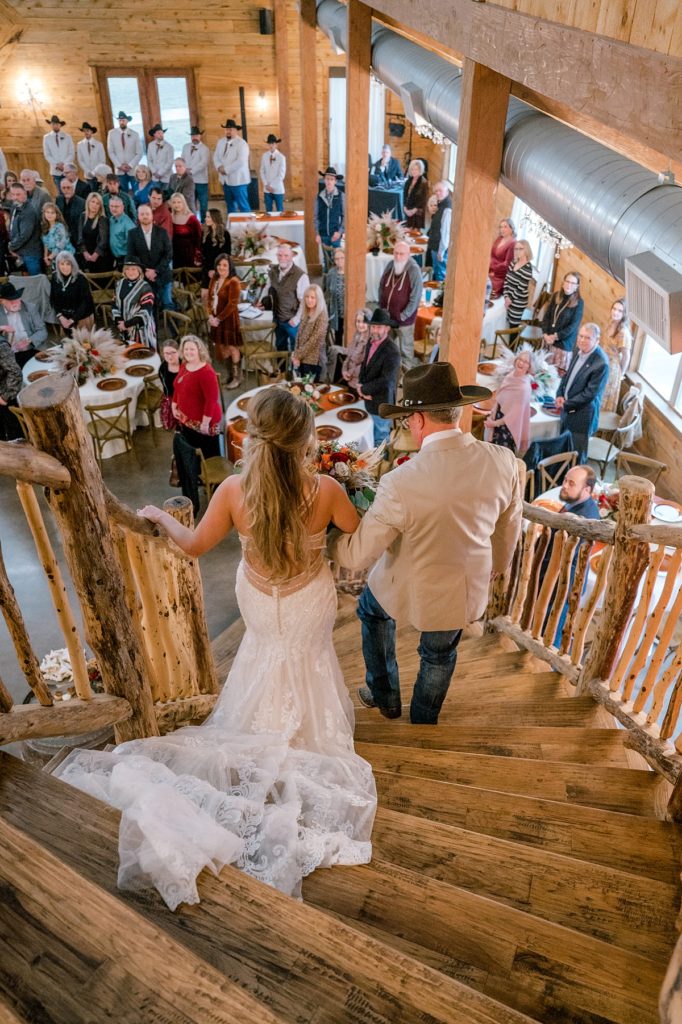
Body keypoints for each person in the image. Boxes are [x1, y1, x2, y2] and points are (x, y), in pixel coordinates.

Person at [57, 385, 375, 910]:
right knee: (308, 661)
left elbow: (195, 546)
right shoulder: (325, 491)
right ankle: (303, 738)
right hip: (307, 599)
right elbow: (358, 541)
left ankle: (261, 736)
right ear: (303, 443)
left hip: (258, 600)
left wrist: (160, 518)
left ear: (253, 440)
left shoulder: (233, 492)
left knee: (263, 656)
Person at [330, 361, 522, 724]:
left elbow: (356, 557)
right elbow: (508, 526)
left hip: (410, 581)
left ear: (417, 420)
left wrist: (328, 537)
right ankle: (423, 719)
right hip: (463, 587)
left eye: (407, 420)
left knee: (372, 610)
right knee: (439, 655)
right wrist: (498, 565)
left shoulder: (401, 481)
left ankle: (385, 695)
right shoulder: (504, 462)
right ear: (457, 411)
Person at [555, 322, 609, 462]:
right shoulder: (577, 350)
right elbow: (567, 376)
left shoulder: (601, 363)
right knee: (562, 448)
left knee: (576, 455)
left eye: (587, 338)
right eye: (581, 336)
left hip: (582, 416)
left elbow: (589, 395)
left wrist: (566, 404)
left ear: (597, 340)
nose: (582, 340)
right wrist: (560, 394)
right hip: (567, 409)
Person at [171, 334, 222, 458]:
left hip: (204, 423)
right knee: (193, 452)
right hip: (187, 420)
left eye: (192, 349)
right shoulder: (184, 365)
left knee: (208, 454)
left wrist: (205, 424)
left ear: (199, 350)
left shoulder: (206, 372)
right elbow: (178, 387)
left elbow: (211, 401)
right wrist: (174, 405)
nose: (188, 352)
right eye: (186, 349)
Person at [357, 308, 401, 445]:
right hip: (368, 398)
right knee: (369, 434)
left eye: (379, 327)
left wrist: (364, 390)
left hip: (381, 402)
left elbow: (387, 381)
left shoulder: (392, 351)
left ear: (387, 328)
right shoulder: (371, 342)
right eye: (373, 326)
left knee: (380, 438)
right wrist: (360, 386)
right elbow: (365, 365)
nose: (375, 330)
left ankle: (383, 466)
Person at [378, 239, 422, 369]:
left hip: (404, 321)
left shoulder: (414, 270)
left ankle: (407, 377)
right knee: (388, 347)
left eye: (401, 254)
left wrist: (403, 315)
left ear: (408, 255)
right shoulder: (390, 265)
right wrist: (382, 310)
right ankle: (391, 372)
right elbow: (381, 286)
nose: (398, 256)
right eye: (396, 253)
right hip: (388, 318)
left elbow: (416, 297)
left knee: (405, 351)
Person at [260, 243, 309, 353]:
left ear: (292, 256)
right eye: (280, 255)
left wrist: (296, 320)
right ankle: (282, 370)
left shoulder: (301, 276)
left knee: (296, 349)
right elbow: (267, 287)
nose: (282, 258)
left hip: (292, 320)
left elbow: (305, 301)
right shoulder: (273, 271)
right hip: (277, 319)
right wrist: (262, 302)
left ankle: (295, 370)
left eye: (286, 255)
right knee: (280, 347)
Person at [484, 349, 534, 455]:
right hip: (498, 420)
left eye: (525, 362)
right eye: (520, 359)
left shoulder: (523, 388)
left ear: (529, 367)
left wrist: (494, 423)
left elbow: (514, 416)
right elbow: (500, 397)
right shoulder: (511, 375)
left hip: (507, 428)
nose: (521, 363)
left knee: (501, 460)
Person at [126, 203, 173, 312]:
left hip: (163, 275)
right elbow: (131, 256)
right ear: (138, 216)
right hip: (143, 278)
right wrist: (145, 271)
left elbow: (168, 254)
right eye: (142, 214)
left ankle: (173, 328)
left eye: (147, 214)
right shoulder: (132, 234)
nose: (145, 216)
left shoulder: (162, 232)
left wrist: (156, 271)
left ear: (152, 215)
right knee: (148, 308)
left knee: (168, 304)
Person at [207, 253, 242, 389]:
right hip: (215, 319)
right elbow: (209, 299)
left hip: (228, 320)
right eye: (219, 265)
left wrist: (218, 319)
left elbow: (232, 304)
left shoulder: (233, 281)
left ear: (230, 267)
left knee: (232, 347)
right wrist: (210, 315)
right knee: (222, 346)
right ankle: (229, 375)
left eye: (225, 265)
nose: (221, 267)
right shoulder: (214, 279)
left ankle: (237, 377)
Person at [541, 271, 584, 371]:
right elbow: (546, 316)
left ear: (577, 286)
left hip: (562, 346)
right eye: (567, 281)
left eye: (573, 283)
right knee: (542, 373)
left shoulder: (579, 303)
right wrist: (545, 334)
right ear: (563, 282)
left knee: (555, 377)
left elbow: (573, 326)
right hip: (548, 341)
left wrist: (555, 336)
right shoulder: (556, 295)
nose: (569, 285)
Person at [0, 281, 48, 366]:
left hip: (29, 350)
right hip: (7, 354)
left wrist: (29, 341)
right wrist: (2, 327)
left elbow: (42, 331)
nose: (16, 303)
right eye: (11, 301)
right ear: (2, 301)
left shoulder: (30, 308)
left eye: (17, 299)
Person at [112, 257, 157, 349]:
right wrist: (119, 321)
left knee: (143, 355)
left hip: (141, 330)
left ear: (139, 271)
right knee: (127, 355)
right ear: (124, 271)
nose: (130, 272)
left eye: (133, 269)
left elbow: (145, 312)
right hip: (123, 328)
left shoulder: (145, 287)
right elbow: (115, 303)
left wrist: (127, 324)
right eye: (127, 269)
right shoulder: (119, 284)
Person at [50, 250, 95, 333]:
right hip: (64, 318)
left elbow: (86, 302)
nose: (65, 267)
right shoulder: (55, 277)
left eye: (68, 264)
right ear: (57, 265)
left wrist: (72, 320)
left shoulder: (81, 278)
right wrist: (61, 317)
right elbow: (53, 299)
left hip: (82, 318)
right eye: (62, 264)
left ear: (73, 265)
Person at [601, 297, 632, 413]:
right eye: (614, 309)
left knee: (604, 398)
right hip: (602, 363)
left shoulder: (623, 333)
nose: (615, 312)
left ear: (624, 314)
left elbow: (626, 356)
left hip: (612, 369)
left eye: (620, 311)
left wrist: (621, 374)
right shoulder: (610, 323)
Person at [213, 118, 251, 213]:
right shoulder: (221, 142)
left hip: (239, 181)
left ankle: (249, 227)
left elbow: (241, 161)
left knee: (243, 206)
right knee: (230, 206)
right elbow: (215, 156)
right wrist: (218, 167)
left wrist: (226, 169)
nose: (228, 131)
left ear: (236, 130)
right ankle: (232, 227)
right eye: (226, 129)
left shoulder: (242, 144)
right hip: (225, 181)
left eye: (231, 129)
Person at [292, 285, 328, 381]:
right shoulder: (306, 313)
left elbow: (314, 340)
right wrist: (296, 355)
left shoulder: (322, 316)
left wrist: (298, 355)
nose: (309, 300)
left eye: (313, 297)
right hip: (302, 358)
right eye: (307, 297)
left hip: (314, 360)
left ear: (318, 299)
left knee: (310, 391)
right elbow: (298, 336)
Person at [8, 183, 43, 276]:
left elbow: (24, 235)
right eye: (13, 194)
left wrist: (11, 246)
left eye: (18, 194)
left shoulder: (29, 211)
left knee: (35, 281)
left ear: (25, 194)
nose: (15, 197)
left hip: (31, 254)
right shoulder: (15, 206)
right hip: (20, 252)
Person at [314, 167, 344, 268]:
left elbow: (345, 216)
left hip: (335, 234)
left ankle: (338, 281)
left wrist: (339, 232)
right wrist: (317, 233)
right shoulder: (319, 196)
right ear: (324, 180)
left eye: (331, 179)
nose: (329, 181)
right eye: (327, 179)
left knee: (338, 261)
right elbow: (316, 217)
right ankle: (326, 281)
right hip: (323, 235)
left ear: (335, 181)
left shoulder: (341, 196)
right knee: (326, 262)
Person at [107, 111, 143, 193]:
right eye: (120, 120)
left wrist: (130, 165)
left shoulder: (135, 134)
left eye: (123, 120)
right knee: (122, 193)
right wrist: (119, 165)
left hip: (133, 170)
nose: (122, 122)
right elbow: (110, 151)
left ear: (127, 121)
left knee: (137, 192)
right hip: (120, 170)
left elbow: (139, 152)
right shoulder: (111, 133)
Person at [503, 239, 535, 331]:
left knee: (513, 327)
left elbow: (520, 288)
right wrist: (506, 296)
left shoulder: (528, 268)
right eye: (516, 249)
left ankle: (512, 345)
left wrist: (509, 299)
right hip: (508, 298)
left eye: (520, 249)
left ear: (526, 250)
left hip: (518, 302)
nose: (517, 251)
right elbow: (506, 280)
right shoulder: (513, 262)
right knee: (507, 323)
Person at [78, 192, 112, 272]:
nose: (94, 205)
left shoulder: (102, 219)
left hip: (100, 256)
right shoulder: (82, 216)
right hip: (86, 254)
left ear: (100, 206)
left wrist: (95, 254)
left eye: (97, 203)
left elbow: (103, 240)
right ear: (88, 202)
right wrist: (85, 252)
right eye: (92, 202)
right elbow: (80, 237)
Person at [181, 126, 210, 221]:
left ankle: (204, 222)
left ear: (200, 136)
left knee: (203, 203)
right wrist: (184, 170)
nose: (195, 137)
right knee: (190, 202)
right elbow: (182, 160)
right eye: (193, 135)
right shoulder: (185, 147)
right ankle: (192, 221)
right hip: (188, 180)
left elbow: (203, 163)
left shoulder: (204, 148)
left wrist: (191, 171)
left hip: (201, 180)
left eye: (197, 135)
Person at [201, 208, 230, 297]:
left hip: (220, 270)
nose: (206, 219)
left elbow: (225, 255)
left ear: (215, 218)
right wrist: (208, 270)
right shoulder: (206, 234)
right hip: (207, 269)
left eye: (208, 217)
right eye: (206, 217)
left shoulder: (225, 235)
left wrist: (216, 270)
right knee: (204, 296)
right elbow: (204, 254)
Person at [426, 181, 452, 282]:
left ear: (447, 191)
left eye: (440, 191)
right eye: (436, 191)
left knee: (440, 275)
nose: (438, 193)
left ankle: (440, 296)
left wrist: (441, 251)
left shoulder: (447, 209)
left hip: (440, 249)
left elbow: (446, 232)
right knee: (436, 273)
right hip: (436, 246)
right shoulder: (441, 204)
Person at [340, 308, 371, 391]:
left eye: (364, 322)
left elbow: (365, 364)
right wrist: (344, 370)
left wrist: (350, 373)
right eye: (358, 321)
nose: (360, 325)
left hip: (360, 382)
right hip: (349, 378)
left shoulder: (370, 341)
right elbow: (348, 356)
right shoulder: (356, 335)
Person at [0, 333, 23, 441]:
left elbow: (15, 372)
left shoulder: (1, 346)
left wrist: (5, 397)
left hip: (4, 397)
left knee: (15, 434)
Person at [169, 193, 202, 269]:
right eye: (174, 202)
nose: (176, 205)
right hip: (175, 252)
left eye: (179, 202)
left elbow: (199, 237)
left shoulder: (192, 218)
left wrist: (197, 255)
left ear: (183, 203)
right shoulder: (170, 217)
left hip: (189, 253)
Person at [42, 114, 75, 189]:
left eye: (57, 124)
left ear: (60, 125)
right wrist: (56, 165)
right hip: (55, 170)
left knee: (71, 189)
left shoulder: (67, 137)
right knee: (60, 191)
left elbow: (71, 153)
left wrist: (64, 165)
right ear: (51, 125)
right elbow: (47, 154)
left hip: (68, 169)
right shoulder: (46, 138)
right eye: (53, 124)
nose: (55, 126)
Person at [488, 218, 516, 298]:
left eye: (505, 227)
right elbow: (492, 255)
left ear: (511, 229)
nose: (502, 229)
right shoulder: (499, 238)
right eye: (500, 227)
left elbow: (506, 264)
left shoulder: (513, 243)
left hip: (498, 276)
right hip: (490, 270)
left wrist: (493, 270)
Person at [41, 202, 74, 269]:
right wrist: (45, 257)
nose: (49, 215)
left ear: (56, 214)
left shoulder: (60, 227)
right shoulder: (44, 226)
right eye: (47, 212)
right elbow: (45, 243)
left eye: (52, 213)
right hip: (53, 257)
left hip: (65, 256)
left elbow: (61, 245)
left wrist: (50, 257)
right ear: (44, 213)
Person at [107, 195, 135, 269]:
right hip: (114, 258)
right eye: (111, 206)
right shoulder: (111, 219)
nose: (113, 209)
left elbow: (132, 246)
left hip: (125, 259)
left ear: (122, 207)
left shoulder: (128, 224)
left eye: (116, 206)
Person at [259, 134, 286, 213]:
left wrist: (271, 186)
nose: (271, 145)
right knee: (268, 210)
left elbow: (281, 175)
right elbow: (262, 171)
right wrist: (266, 185)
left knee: (280, 210)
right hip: (267, 189)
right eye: (269, 143)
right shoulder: (264, 156)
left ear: (276, 145)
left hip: (277, 188)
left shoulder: (281, 157)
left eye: (273, 143)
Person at [324, 247, 345, 347]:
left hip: (349, 311)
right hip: (337, 311)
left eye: (342, 258)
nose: (339, 261)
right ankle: (339, 360)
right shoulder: (331, 273)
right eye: (337, 259)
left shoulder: (352, 272)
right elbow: (327, 291)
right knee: (338, 336)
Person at [158, 339, 181, 430]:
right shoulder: (163, 368)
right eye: (166, 353)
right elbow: (165, 387)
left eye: (173, 352)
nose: (170, 356)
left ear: (179, 352)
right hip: (171, 397)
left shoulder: (185, 364)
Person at [76, 122, 105, 190]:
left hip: (98, 174)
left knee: (99, 192)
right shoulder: (80, 144)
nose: (86, 132)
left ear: (91, 132)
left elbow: (102, 160)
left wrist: (95, 171)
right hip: (87, 174)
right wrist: (88, 171)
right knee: (90, 192)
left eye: (88, 130)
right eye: (84, 131)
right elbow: (80, 160)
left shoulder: (99, 144)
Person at [57, 178, 85, 248]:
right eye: (63, 188)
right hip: (63, 235)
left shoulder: (82, 202)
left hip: (76, 237)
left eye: (68, 187)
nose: (66, 190)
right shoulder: (58, 199)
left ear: (73, 188)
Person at [402, 159, 429, 229]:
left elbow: (423, 200)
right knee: (407, 231)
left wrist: (413, 210)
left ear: (420, 170)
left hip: (417, 212)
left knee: (415, 234)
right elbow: (405, 195)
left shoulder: (424, 182)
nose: (414, 171)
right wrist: (405, 207)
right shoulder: (408, 181)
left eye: (416, 169)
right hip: (408, 209)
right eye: (412, 169)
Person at [146, 124, 174, 189]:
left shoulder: (169, 147)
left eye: (162, 133)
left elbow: (170, 162)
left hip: (166, 177)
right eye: (158, 133)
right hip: (155, 177)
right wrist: (154, 172)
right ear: (154, 134)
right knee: (156, 195)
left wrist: (160, 173)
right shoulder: (150, 145)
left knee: (166, 196)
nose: (161, 135)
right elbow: (149, 160)